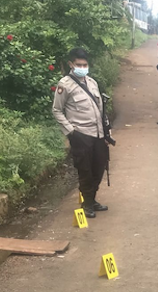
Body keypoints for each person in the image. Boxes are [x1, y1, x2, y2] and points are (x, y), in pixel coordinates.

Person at [52, 48, 110, 218]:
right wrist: (71, 132)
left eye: (85, 65)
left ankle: (91, 199)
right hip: (80, 134)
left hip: (97, 133)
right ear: (71, 64)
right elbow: (57, 110)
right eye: (79, 64)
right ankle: (87, 204)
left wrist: (106, 132)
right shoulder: (65, 85)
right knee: (85, 171)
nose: (83, 67)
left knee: (99, 167)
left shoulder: (92, 82)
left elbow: (99, 109)